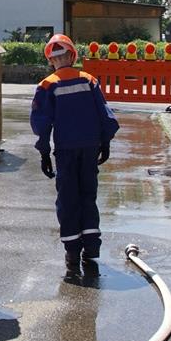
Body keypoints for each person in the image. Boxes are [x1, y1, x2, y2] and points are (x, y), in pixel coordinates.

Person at [30, 33, 119, 279]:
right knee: (88, 196)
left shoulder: (47, 85)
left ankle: (72, 253)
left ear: (50, 60)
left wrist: (44, 152)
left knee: (68, 199)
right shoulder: (89, 80)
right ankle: (90, 249)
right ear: (73, 55)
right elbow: (104, 113)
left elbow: (41, 122)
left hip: (66, 150)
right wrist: (106, 141)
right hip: (89, 147)